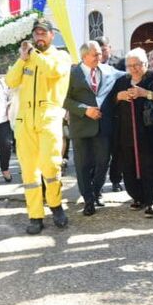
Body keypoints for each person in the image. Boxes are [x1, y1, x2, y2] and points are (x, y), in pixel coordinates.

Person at [5, 19, 71, 234]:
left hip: (48, 118)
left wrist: (32, 55)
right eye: (36, 34)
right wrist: (21, 60)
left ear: (52, 35)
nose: (38, 37)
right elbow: (11, 81)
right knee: (29, 172)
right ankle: (35, 215)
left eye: (43, 33)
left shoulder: (61, 56)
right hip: (25, 121)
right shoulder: (27, 60)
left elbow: (52, 71)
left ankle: (55, 205)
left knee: (50, 166)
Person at [111, 47, 153, 218]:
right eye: (130, 65)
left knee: (151, 167)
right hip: (127, 134)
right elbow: (110, 102)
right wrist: (119, 97)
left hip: (150, 134)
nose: (133, 69)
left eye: (137, 65)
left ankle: (151, 199)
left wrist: (144, 93)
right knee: (129, 168)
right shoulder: (122, 81)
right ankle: (137, 197)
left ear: (145, 63)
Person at [64, 41, 125, 216]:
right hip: (81, 127)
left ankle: (97, 190)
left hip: (103, 126)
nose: (100, 57)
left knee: (103, 162)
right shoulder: (72, 74)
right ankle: (88, 200)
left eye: (100, 53)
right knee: (83, 165)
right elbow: (63, 99)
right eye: (95, 54)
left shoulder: (108, 70)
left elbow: (127, 74)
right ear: (84, 56)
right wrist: (85, 110)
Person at [95, 36, 125, 191]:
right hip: (100, 117)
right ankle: (97, 185)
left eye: (104, 48)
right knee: (102, 155)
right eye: (98, 50)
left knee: (118, 151)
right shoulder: (90, 67)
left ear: (109, 48)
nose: (101, 52)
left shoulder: (120, 63)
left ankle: (115, 180)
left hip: (119, 115)